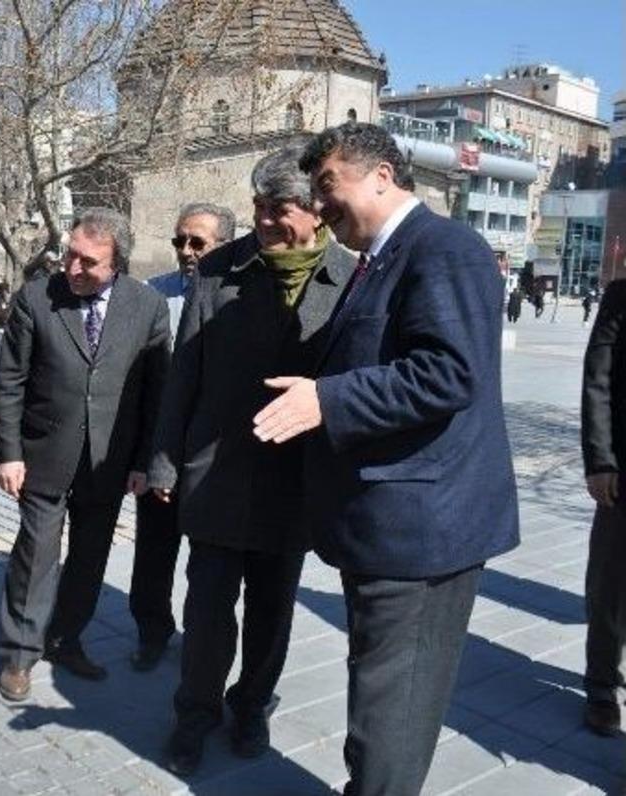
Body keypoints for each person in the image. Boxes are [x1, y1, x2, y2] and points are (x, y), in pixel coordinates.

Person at [253, 122, 519, 795]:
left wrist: (329, 401)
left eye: (328, 186)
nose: (319, 206)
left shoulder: (445, 248)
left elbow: (449, 373)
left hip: (422, 532)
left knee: (392, 710)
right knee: (379, 696)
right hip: (385, 527)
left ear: (382, 175)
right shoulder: (383, 257)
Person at [151, 146, 353, 772]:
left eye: (281, 209)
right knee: (207, 612)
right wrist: (165, 462)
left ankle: (252, 707)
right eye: (259, 208)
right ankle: (194, 713)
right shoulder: (216, 271)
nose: (265, 221)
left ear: (318, 211)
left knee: (272, 613)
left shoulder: (352, 276)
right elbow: (183, 375)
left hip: (294, 484)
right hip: (217, 476)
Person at [0, 208, 169, 701]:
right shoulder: (36, 299)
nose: (73, 268)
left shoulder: (147, 306)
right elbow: (11, 383)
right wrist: (8, 453)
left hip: (110, 462)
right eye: (70, 255)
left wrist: (143, 462)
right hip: (43, 454)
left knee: (90, 558)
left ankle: (66, 640)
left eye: (88, 262)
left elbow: (157, 392)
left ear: (118, 264)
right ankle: (19, 653)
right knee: (36, 555)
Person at [129, 202, 234, 674]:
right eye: (179, 241)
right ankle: (152, 632)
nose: (186, 251)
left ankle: (205, 638)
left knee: (211, 564)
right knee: (153, 552)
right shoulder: (153, 297)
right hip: (161, 448)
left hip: (213, 455)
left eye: (198, 242)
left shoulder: (239, 293)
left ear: (224, 244)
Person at [580, 279, 626, 736]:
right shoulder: (621, 294)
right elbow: (599, 377)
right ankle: (601, 685)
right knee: (611, 586)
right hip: (621, 473)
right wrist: (600, 460)